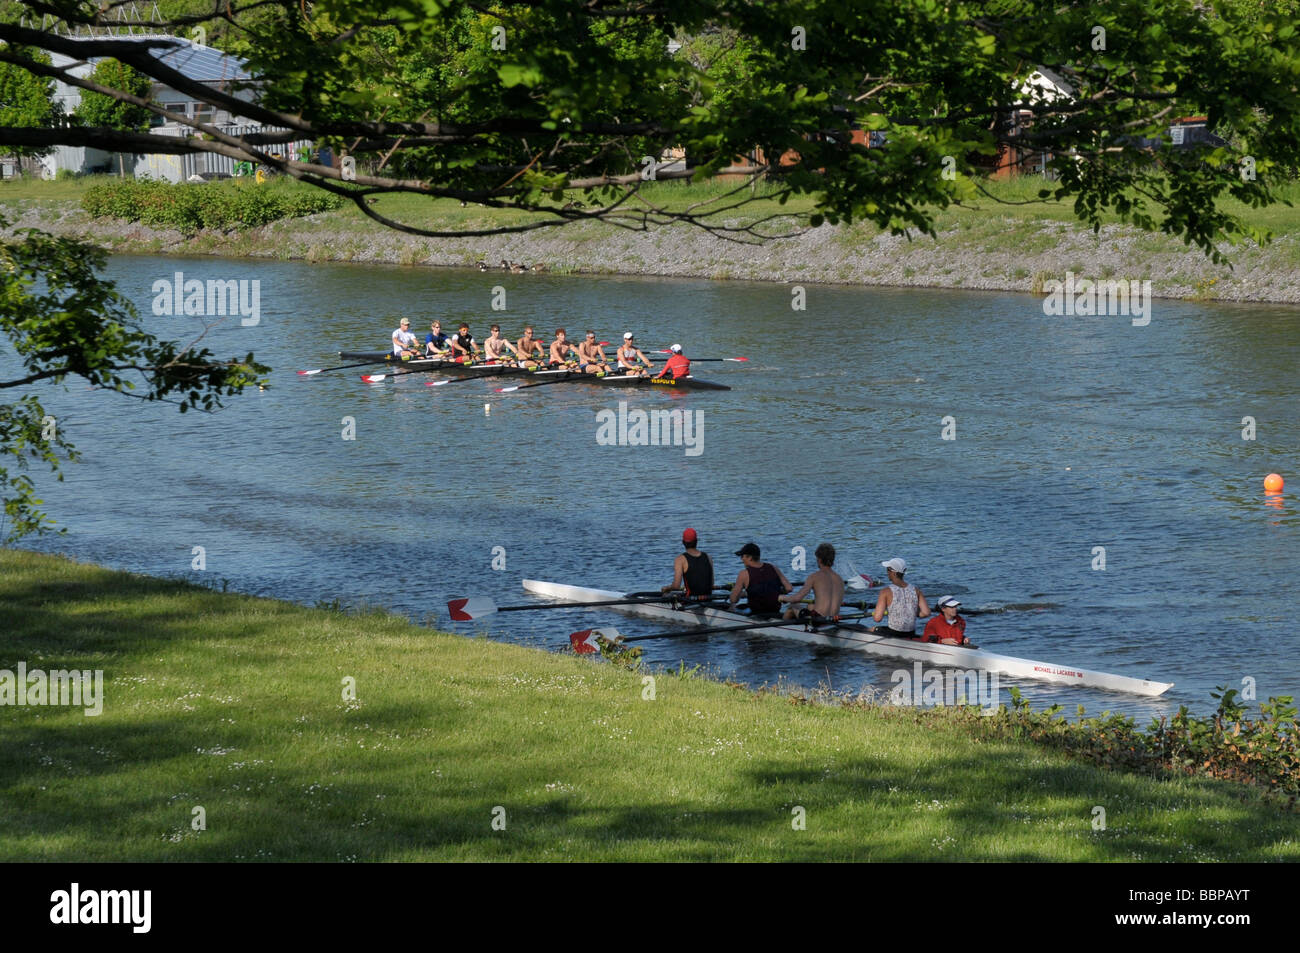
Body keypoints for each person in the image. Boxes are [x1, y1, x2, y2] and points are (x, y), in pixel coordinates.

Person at [780, 542, 844, 623]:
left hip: (817, 621)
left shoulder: (814, 576)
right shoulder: (840, 579)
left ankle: (782, 629)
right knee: (810, 605)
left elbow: (797, 599)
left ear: (819, 559)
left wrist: (782, 598)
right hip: (833, 620)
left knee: (792, 606)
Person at [728, 542, 793, 616]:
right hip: (775, 612)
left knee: (732, 607)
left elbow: (733, 599)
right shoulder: (773, 567)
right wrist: (774, 592)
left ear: (750, 557)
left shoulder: (744, 574)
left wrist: (736, 592)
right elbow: (789, 588)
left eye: (742, 556)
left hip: (757, 615)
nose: (741, 559)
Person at [871, 557, 930, 637]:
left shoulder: (885, 591)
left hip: (893, 633)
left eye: (888, 569)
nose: (887, 572)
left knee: (870, 629)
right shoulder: (916, 590)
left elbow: (877, 619)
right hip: (911, 633)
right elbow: (926, 613)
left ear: (894, 573)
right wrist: (910, 612)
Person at [661, 528, 714, 600]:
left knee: (665, 595)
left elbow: (676, 586)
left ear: (683, 542)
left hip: (690, 601)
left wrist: (667, 588)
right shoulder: (708, 557)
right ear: (696, 541)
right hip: (708, 599)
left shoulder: (680, 559)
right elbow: (711, 584)